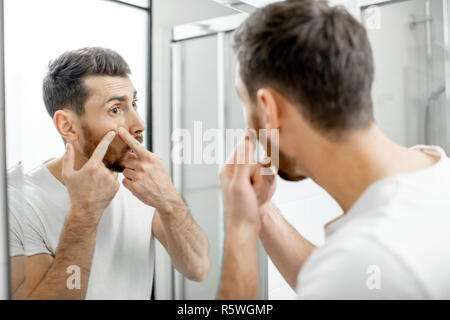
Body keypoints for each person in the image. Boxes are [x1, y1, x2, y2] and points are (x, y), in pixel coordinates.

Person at [217, 0, 450, 299]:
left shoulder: (365, 255)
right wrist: (262, 214)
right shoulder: (433, 171)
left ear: (268, 109)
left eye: (243, 102)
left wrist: (239, 228)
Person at [8, 47, 210, 299]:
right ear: (67, 126)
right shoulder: (17, 200)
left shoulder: (142, 184)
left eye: (134, 103)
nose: (139, 124)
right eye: (115, 110)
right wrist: (84, 214)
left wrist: (168, 198)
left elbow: (197, 267)